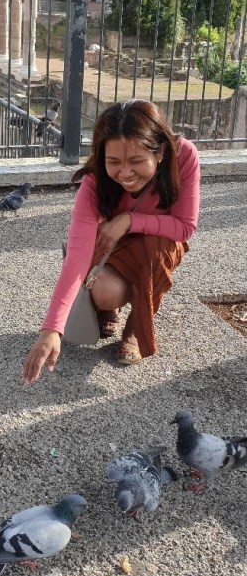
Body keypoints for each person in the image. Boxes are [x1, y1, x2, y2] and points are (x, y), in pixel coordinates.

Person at [22, 99, 200, 382]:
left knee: (156, 247)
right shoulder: (94, 182)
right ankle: (108, 308)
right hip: (112, 247)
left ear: (160, 152)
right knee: (105, 291)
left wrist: (129, 220)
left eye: (137, 161)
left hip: (158, 245)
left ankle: (136, 328)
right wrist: (51, 329)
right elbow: (76, 260)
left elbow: (184, 227)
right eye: (114, 162)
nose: (125, 173)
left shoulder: (184, 155)